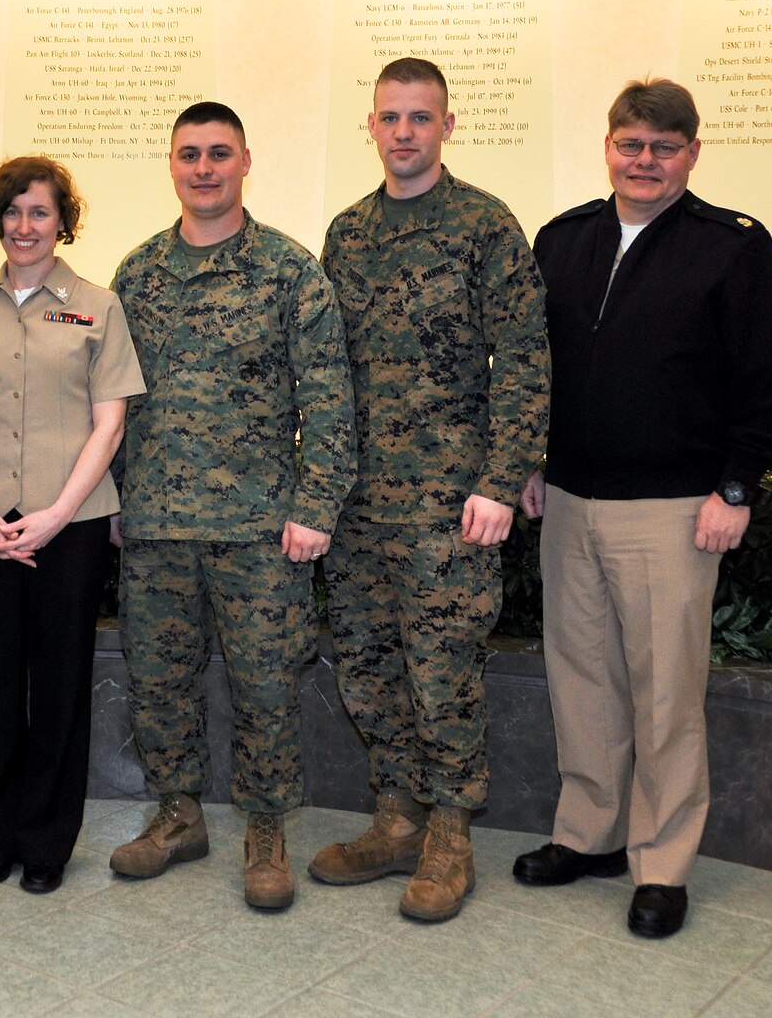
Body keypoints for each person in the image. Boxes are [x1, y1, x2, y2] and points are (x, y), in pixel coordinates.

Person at [515, 78, 772, 940]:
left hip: (677, 511)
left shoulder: (733, 249)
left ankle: (663, 863)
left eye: (664, 146)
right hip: (569, 501)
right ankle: (590, 835)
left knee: (664, 695)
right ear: (608, 146)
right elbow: (539, 372)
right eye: (630, 143)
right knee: (583, 682)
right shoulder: (562, 240)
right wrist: (533, 463)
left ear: (692, 153)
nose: (644, 161)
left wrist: (737, 487)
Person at [309, 58, 550, 922]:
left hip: (454, 507)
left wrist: (501, 475)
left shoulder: (485, 226)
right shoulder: (347, 233)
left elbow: (523, 357)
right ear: (370, 126)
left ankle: (451, 833)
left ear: (447, 125)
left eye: (421, 117)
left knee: (443, 672)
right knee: (370, 672)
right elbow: (327, 369)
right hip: (361, 504)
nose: (404, 132)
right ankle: (397, 819)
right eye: (390, 118)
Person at [108, 100, 356, 911]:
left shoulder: (289, 272)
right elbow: (112, 400)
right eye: (189, 154)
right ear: (171, 163)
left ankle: (266, 830)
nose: (204, 168)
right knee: (158, 682)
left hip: (260, 529)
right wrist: (112, 495)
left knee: (267, 686)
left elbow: (328, 400)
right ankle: (178, 815)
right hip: (154, 523)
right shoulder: (137, 274)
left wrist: (316, 505)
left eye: (219, 153)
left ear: (246, 161)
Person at [0, 156, 147, 895]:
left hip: (71, 527)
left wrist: (56, 515)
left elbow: (109, 422)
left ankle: (48, 844)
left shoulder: (99, 306)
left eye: (41, 213)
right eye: (14, 212)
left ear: (63, 222)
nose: (26, 226)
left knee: (59, 689)